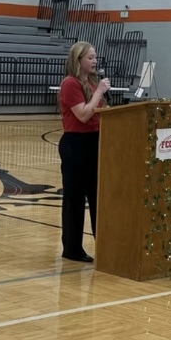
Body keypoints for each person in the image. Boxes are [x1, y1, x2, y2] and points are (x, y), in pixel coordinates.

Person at [58, 41, 111, 263]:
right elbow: (82, 115)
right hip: (76, 144)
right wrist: (99, 92)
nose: (95, 61)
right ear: (78, 59)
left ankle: (106, 244)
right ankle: (72, 247)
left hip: (95, 142)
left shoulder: (90, 82)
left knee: (97, 197)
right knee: (75, 198)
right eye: (90, 57)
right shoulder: (70, 84)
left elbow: (100, 112)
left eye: (95, 57)